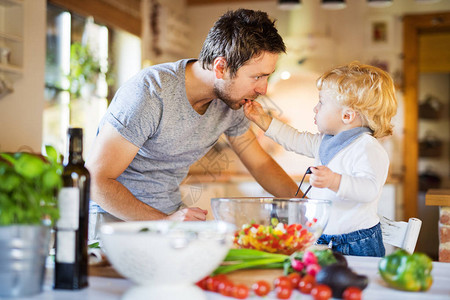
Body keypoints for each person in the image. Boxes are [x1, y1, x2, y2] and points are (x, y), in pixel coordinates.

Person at [85, 9, 298, 239]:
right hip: (115, 223)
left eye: (267, 76)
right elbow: (96, 181)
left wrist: (306, 206)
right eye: (257, 77)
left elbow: (260, 164)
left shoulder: (232, 102)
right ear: (220, 68)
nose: (263, 89)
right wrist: (165, 222)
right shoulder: (151, 92)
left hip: (168, 219)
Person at [243, 62, 398, 257]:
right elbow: (295, 140)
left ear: (348, 115)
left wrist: (335, 181)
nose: (316, 108)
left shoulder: (367, 147)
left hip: (356, 243)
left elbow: (369, 190)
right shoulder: (326, 142)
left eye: (322, 102)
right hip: (323, 237)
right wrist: (263, 120)